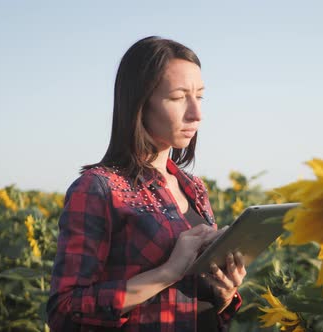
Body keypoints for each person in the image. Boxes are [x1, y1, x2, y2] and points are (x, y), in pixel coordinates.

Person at [46, 36, 246, 332]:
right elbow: (64, 311)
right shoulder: (98, 189)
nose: (196, 114)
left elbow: (201, 304)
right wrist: (167, 272)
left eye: (200, 97)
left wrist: (225, 291)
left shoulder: (194, 188)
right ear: (140, 103)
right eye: (179, 97)